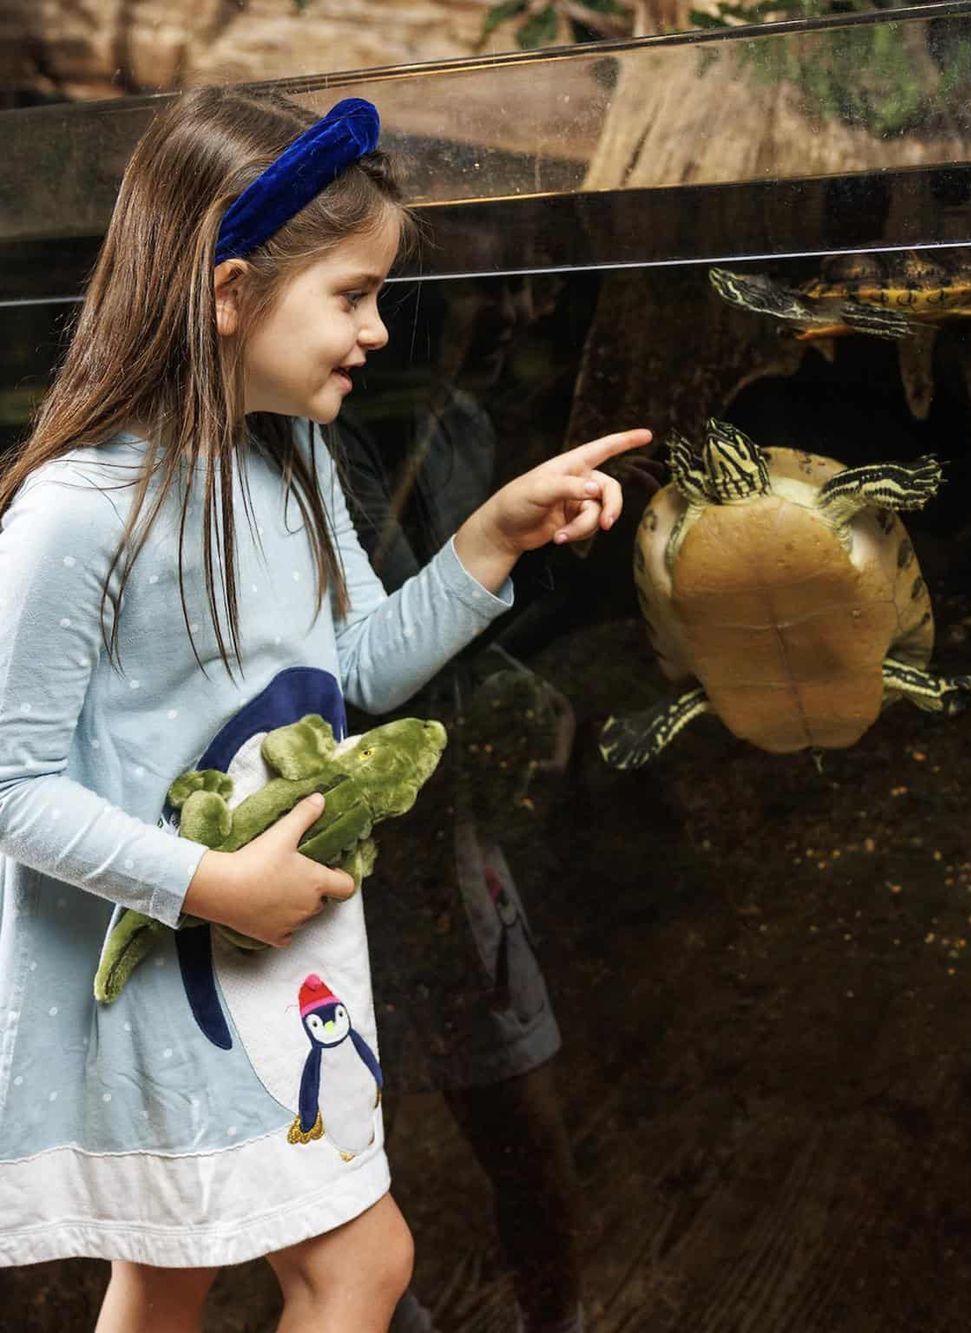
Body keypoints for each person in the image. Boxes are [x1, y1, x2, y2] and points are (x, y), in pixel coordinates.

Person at [0, 86, 650, 1333]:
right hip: (172, 975)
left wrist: (485, 540)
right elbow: (16, 788)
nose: (378, 333)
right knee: (360, 1267)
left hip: (273, 962)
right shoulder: (77, 511)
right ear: (231, 292)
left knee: (165, 1273)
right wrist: (215, 885)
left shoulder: (289, 458)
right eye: (350, 296)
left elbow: (352, 669)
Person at [336, 276, 586, 1333]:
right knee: (342, 1143)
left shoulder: (461, 418)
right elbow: (379, 663)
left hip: (443, 831)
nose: (523, 308)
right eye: (492, 288)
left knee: (517, 1108)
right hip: (350, 849)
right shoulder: (328, 442)